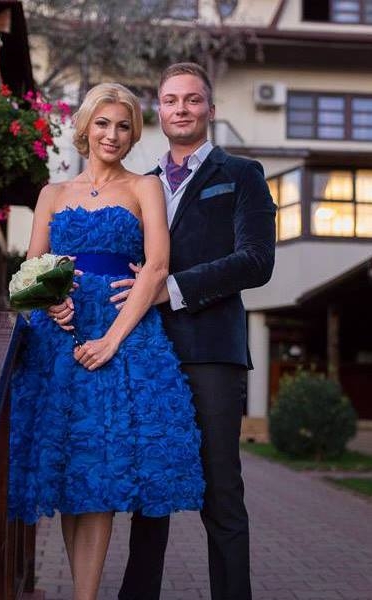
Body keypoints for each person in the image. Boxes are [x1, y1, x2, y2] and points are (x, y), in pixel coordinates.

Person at [8, 82, 205, 600]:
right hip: (59, 344)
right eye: (102, 123)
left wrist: (113, 340)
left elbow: (157, 267)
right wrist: (50, 300)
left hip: (123, 342)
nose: (112, 135)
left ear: (133, 134)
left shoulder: (145, 187)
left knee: (100, 473)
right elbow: (30, 270)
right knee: (72, 474)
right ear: (85, 127)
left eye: (122, 126)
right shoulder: (52, 194)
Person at [109, 63, 277, 600]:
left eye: (192, 99)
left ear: (210, 109)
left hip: (212, 354)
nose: (181, 108)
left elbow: (256, 261)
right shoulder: (141, 184)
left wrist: (171, 287)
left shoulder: (242, 174)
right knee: (149, 492)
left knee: (221, 491)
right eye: (171, 100)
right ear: (158, 111)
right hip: (149, 351)